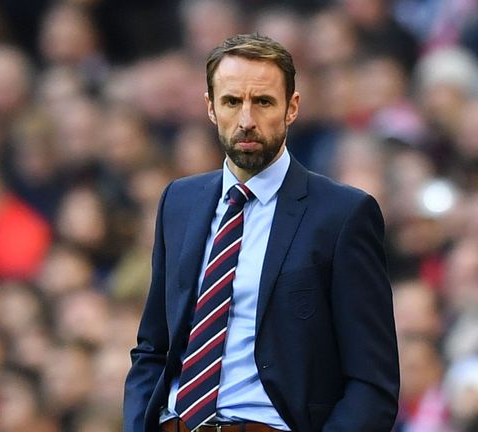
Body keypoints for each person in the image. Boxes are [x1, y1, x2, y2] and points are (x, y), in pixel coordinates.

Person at [123, 34, 399, 432]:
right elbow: (153, 348)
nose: (247, 119)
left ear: (292, 108)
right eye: (232, 101)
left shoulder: (343, 215)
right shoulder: (177, 202)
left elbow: (372, 383)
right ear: (210, 108)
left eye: (263, 102)